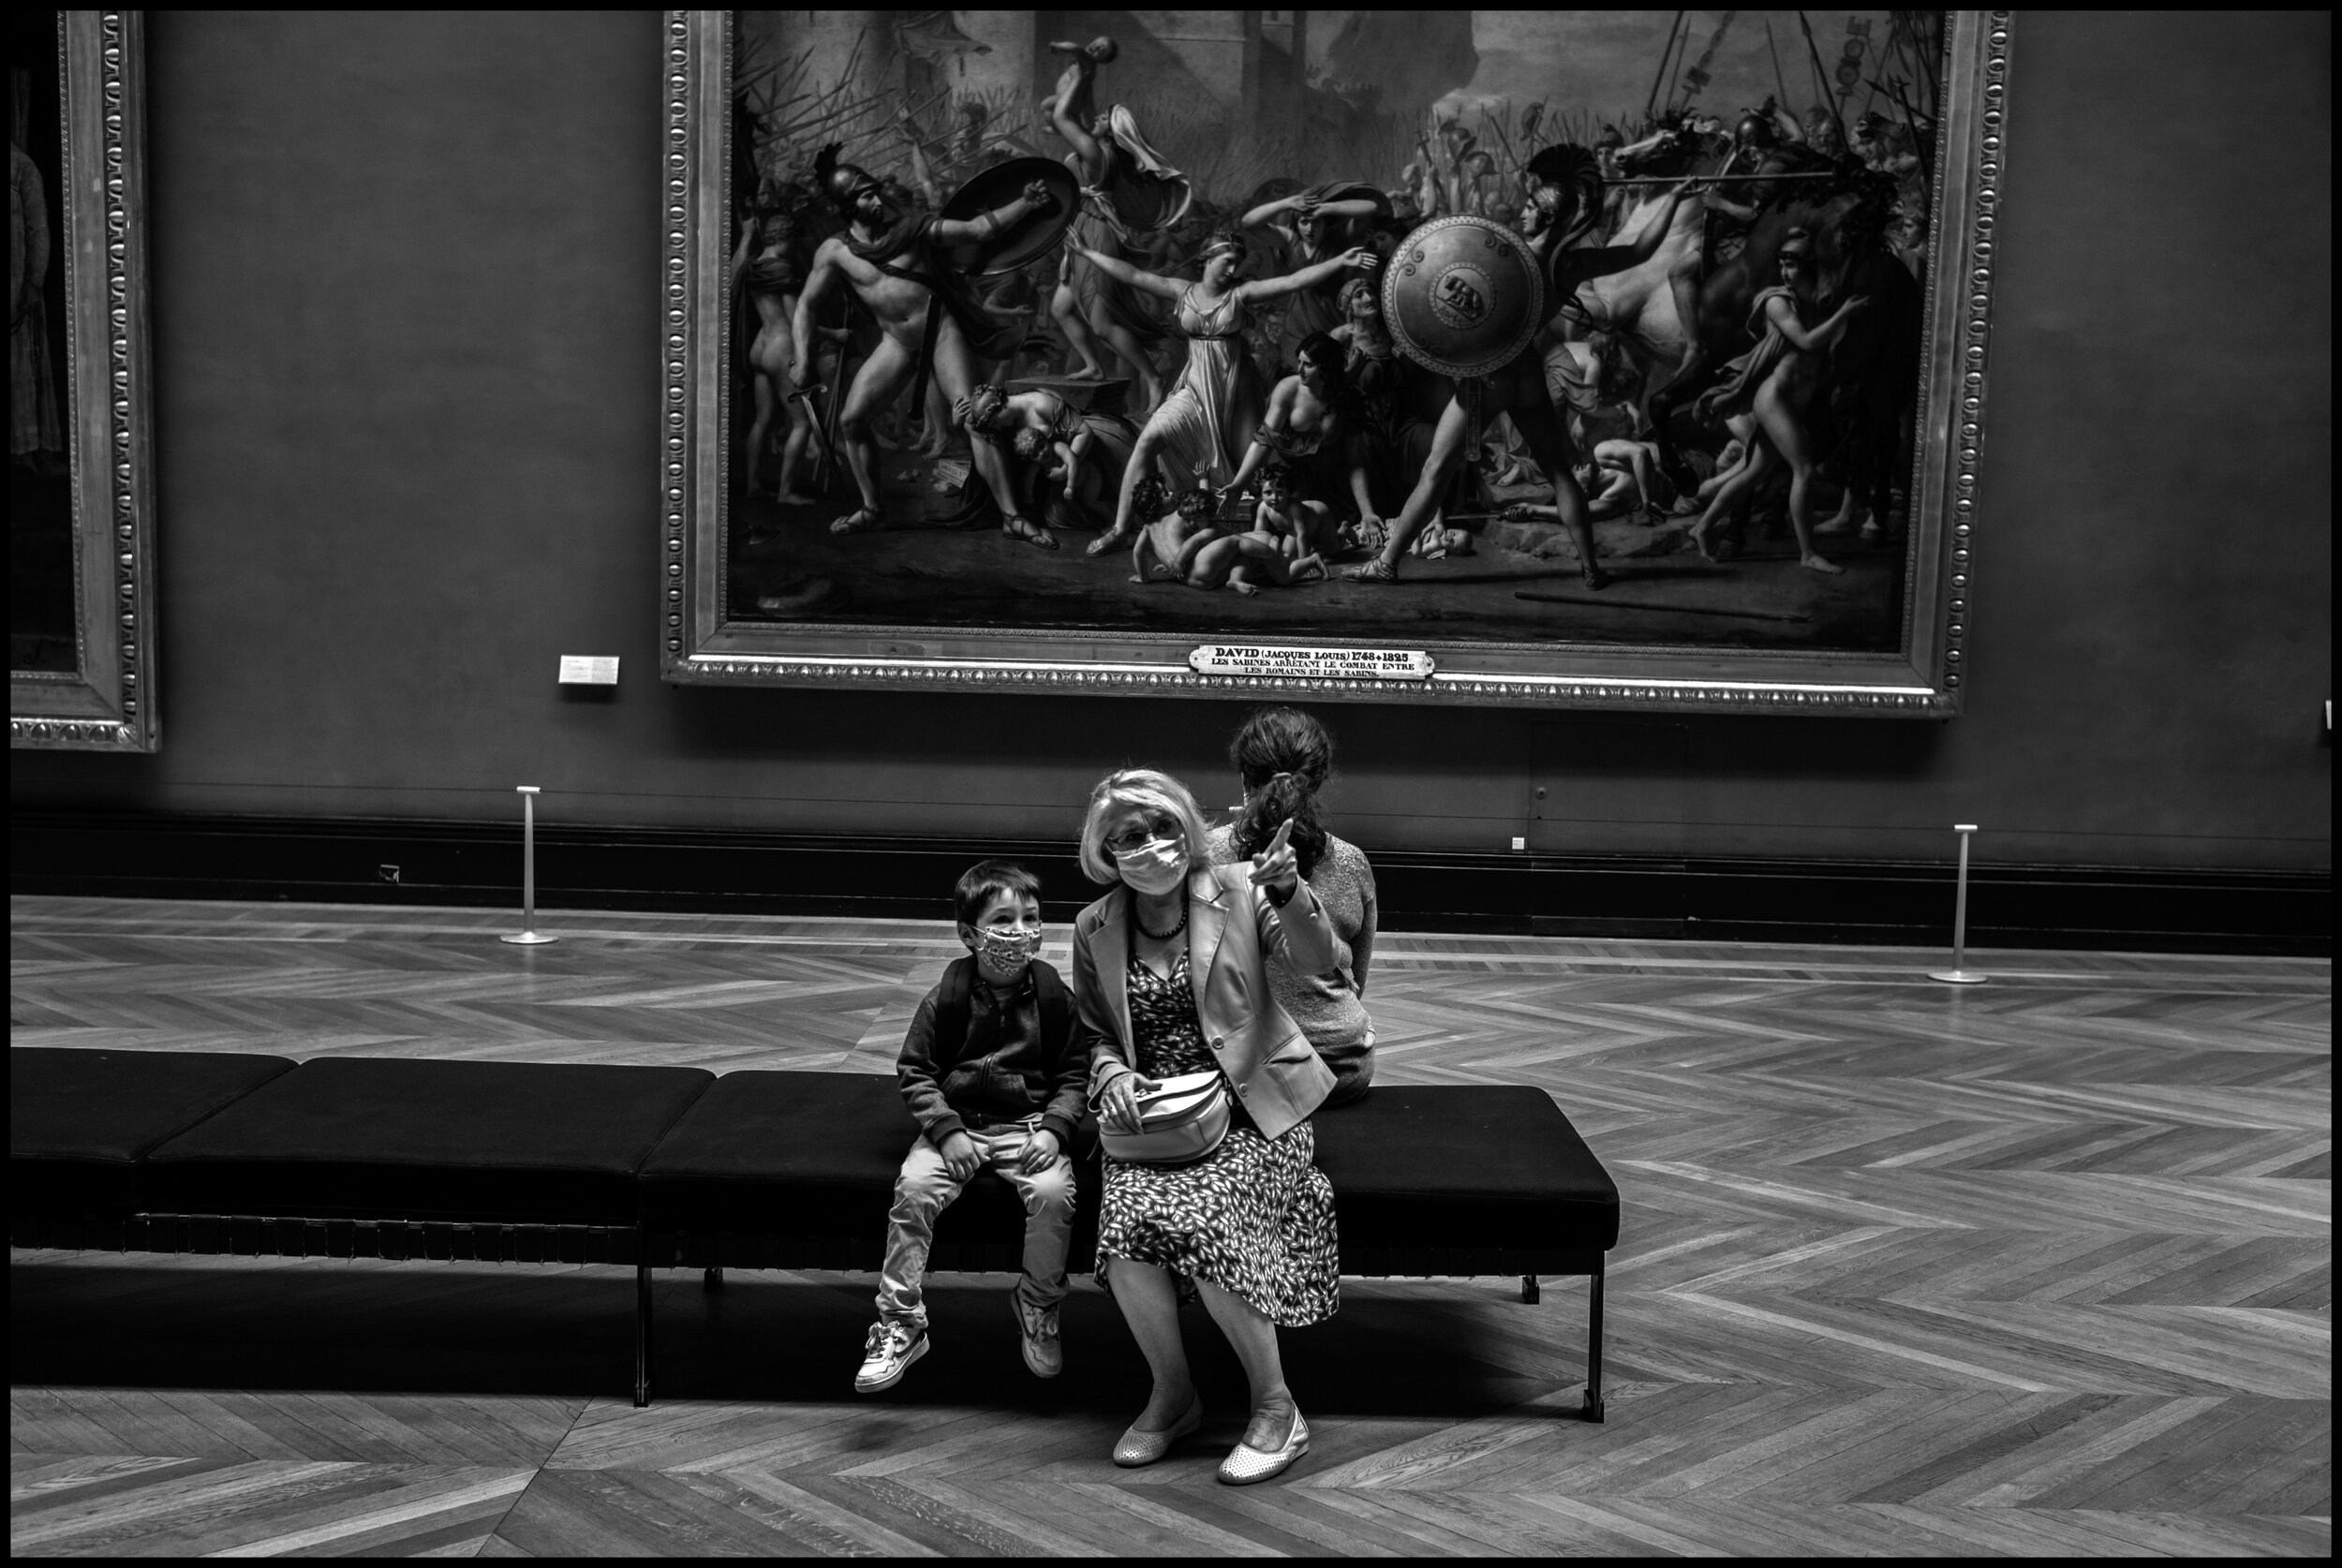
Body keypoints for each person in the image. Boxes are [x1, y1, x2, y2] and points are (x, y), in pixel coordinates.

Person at [1071, 768, 1341, 1484]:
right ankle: (1174, 1393)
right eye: (1130, 836)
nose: (1151, 846)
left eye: (1163, 829)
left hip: (1255, 1109)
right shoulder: (1093, 926)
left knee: (1209, 1219)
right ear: (1106, 850)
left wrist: (1287, 888)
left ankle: (1278, 1409)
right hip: (1157, 1121)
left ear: (1187, 831)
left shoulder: (1241, 889)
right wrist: (1113, 1074)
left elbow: (1322, 963)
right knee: (1124, 1231)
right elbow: (1094, 1033)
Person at [1345, 152, 1699, 588]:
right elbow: (1642, 250)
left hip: (1489, 378)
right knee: (1558, 471)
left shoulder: (1506, 255)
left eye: (1531, 207)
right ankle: (1590, 567)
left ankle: (1386, 563)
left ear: (1546, 217)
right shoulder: (1570, 264)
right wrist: (1676, 197)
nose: (1523, 211)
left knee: (1437, 469)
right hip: (1527, 373)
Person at [855, 860, 1086, 1396]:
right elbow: (916, 1071)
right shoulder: (946, 999)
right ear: (968, 933)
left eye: (1030, 917)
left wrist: (1054, 1130)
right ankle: (901, 1321)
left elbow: (1076, 1076)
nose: (1020, 931)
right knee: (912, 1192)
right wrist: (946, 1130)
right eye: (1003, 919)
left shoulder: (1056, 1002)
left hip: (1028, 1125)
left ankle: (1038, 1302)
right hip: (959, 1125)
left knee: (1054, 1194)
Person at [791, 144, 1057, 544]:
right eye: (866, 196)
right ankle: (872, 508)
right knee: (851, 420)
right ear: (847, 205)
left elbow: (980, 231)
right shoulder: (834, 253)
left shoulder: (913, 229)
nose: (877, 200)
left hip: (941, 332)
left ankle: (1012, 517)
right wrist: (802, 358)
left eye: (876, 191)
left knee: (976, 418)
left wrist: (1026, 203)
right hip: (896, 342)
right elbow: (806, 307)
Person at [1076, 230, 1380, 555]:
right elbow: (1134, 275)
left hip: (1233, 396)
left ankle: (1274, 537)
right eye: (1227, 261)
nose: (1232, 270)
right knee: (1149, 440)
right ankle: (1121, 528)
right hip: (1194, 390)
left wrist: (1340, 260)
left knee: (1253, 472)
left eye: (1236, 263)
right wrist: (1087, 252)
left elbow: (1293, 281)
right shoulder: (1183, 291)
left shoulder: (1241, 294)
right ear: (1207, 259)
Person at [1205, 708, 1377, 1105]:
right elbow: (1356, 976)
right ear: (1319, 779)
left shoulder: (1205, 855)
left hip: (1240, 1071)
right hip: (1341, 1067)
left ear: (1244, 779)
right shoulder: (1352, 862)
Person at [1689, 229, 1869, 571]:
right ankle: (1808, 554)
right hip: (1774, 399)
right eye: (1783, 264)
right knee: (1803, 468)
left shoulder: (1813, 303)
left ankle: (1701, 527)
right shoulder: (1777, 301)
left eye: (1793, 265)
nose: (1786, 272)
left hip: (1790, 401)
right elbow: (1807, 342)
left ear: (1809, 267)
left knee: (1752, 473)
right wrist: (1844, 313)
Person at [1044, 44, 1187, 407]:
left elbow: (1063, 115)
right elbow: (1079, 109)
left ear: (1111, 131)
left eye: (1103, 117)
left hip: (1095, 234)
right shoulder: (1101, 148)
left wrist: (1086, 71)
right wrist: (1083, 67)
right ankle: (1094, 365)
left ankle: (1152, 378)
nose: (1096, 116)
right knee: (1061, 309)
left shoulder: (1096, 153)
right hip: (1082, 229)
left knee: (1102, 323)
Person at [1217, 333, 1373, 525]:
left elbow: (1355, 462)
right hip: (1288, 477)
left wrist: (1367, 512)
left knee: (1336, 528)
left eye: (1308, 365)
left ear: (1327, 368)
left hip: (1329, 479)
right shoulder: (1288, 389)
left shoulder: (1348, 399)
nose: (1300, 370)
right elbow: (1263, 442)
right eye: (1299, 362)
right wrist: (1239, 483)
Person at [958, 382, 1136, 541]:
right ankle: (1011, 518)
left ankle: (1114, 524)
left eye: (995, 422)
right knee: (969, 424)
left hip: (1070, 461)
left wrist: (1065, 469)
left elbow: (1084, 433)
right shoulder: (1006, 422)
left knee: (1081, 506)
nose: (997, 428)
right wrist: (956, 424)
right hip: (1041, 472)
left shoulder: (1041, 405)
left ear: (1000, 408)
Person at [730, 190, 818, 505]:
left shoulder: (752, 265)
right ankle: (786, 492)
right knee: (801, 422)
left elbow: (732, 273)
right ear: (788, 239)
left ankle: (753, 485)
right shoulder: (782, 268)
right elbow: (798, 321)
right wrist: (835, 335)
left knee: (763, 420)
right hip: (781, 347)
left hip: (759, 349)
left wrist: (746, 235)